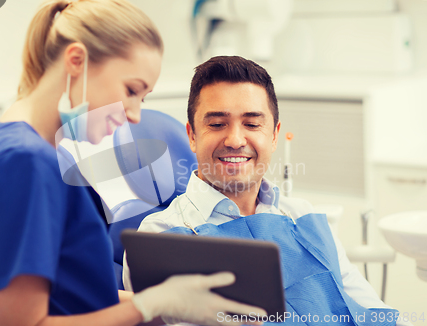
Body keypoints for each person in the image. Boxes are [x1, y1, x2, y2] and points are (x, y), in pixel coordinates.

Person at [0, 2, 268, 325]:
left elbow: (68, 293)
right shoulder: (26, 162)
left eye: (141, 98)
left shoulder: (23, 145)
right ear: (76, 61)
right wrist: (145, 307)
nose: (135, 115)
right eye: (131, 90)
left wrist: (168, 302)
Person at [123, 56, 412, 326]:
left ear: (274, 135)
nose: (235, 139)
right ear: (192, 136)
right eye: (216, 124)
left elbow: (369, 309)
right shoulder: (159, 237)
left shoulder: (305, 216)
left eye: (251, 123)